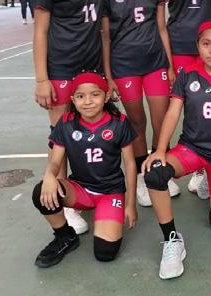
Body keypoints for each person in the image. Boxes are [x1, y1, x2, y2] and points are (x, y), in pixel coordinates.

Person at [141, 20, 211, 279]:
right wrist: (160, 149)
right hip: (190, 149)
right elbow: (173, 113)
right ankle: (172, 240)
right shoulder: (187, 74)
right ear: (198, 46)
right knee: (155, 173)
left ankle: (210, 180)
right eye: (206, 44)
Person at [33, 0, 105, 234]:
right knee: (61, 137)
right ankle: (63, 200)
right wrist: (41, 78)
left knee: (91, 131)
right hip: (61, 69)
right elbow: (40, 32)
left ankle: (89, 189)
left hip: (92, 69)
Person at [101, 0, 180, 206]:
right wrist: (108, 75)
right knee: (137, 121)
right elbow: (105, 37)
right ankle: (140, 176)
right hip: (124, 66)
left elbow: (161, 28)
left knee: (161, 119)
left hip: (155, 62)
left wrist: (170, 65)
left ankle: (157, 167)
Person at [31, 72, 137, 268]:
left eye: (95, 94)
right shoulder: (66, 122)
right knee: (41, 192)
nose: (87, 101)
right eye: (80, 96)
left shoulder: (119, 122)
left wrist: (130, 204)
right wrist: (49, 176)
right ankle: (65, 236)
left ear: (106, 96)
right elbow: (56, 161)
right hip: (80, 190)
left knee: (105, 253)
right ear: (73, 99)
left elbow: (130, 164)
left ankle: (105, 216)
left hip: (110, 191)